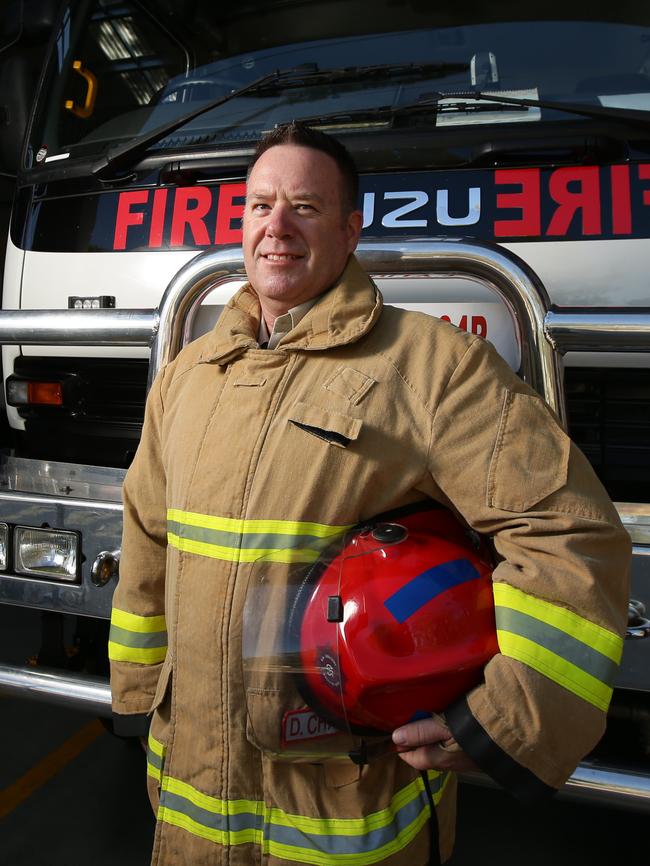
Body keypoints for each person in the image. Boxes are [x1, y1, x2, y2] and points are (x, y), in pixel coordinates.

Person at [109, 122, 631, 866]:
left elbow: (567, 531)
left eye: (305, 208)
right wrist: (135, 699)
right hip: (189, 804)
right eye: (260, 206)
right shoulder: (191, 375)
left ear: (352, 230)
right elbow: (146, 541)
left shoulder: (434, 368)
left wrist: (506, 720)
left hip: (342, 819)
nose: (276, 228)